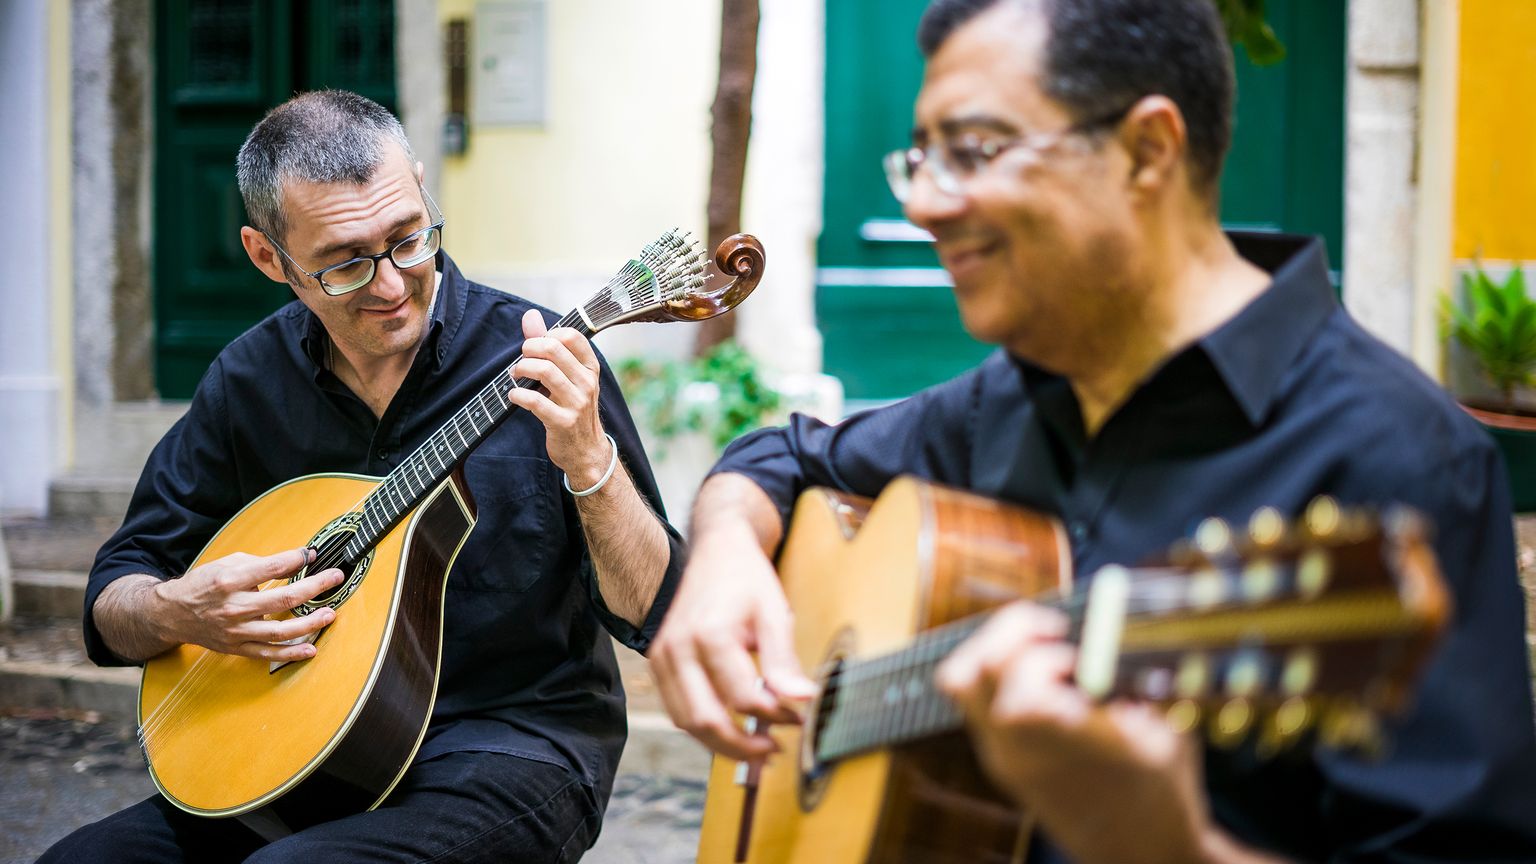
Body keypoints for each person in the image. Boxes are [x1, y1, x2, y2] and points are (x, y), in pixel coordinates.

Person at [648, 0, 1536, 861]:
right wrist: (723, 558)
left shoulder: (1400, 460)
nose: (922, 202)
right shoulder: (1012, 395)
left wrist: (1169, 848)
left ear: (1146, 151)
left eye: (973, 150)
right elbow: (782, 456)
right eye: (920, 158)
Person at [41, 90, 682, 863]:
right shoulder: (249, 380)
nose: (390, 284)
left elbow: (657, 609)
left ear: (418, 187)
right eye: (344, 263)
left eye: (410, 239)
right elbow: (114, 599)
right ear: (267, 256)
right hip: (296, 754)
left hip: (514, 750)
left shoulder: (542, 359)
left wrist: (591, 465)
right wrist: (179, 610)